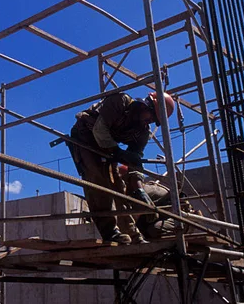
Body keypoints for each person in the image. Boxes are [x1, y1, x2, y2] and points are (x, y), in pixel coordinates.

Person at [67, 91, 174, 245]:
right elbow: (100, 129)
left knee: (118, 186)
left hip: (107, 146)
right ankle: (109, 233)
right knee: (98, 180)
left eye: (154, 120)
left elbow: (135, 161)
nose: (149, 121)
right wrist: (118, 153)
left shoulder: (142, 132)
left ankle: (132, 234)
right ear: (145, 105)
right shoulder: (120, 101)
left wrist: (139, 190)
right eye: (150, 116)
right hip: (86, 135)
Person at [118, 164, 196, 240]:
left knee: (154, 230)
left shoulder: (143, 194)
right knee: (141, 228)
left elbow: (130, 220)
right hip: (164, 217)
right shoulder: (135, 193)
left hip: (182, 219)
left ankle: (180, 237)